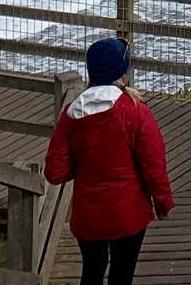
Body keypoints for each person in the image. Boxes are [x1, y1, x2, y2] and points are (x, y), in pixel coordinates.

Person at [43, 38, 173, 285]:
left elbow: (55, 172)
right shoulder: (135, 111)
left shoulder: (71, 113)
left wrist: (83, 165)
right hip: (128, 212)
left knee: (91, 271)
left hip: (89, 213)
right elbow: (154, 164)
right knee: (121, 274)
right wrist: (163, 203)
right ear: (123, 73)